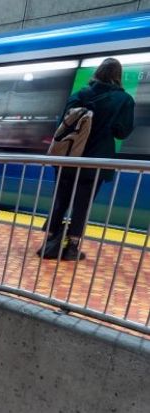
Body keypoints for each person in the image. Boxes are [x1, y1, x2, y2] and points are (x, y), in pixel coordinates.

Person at [38, 57, 135, 261]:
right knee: (83, 204)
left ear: (98, 73)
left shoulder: (80, 94)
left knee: (61, 200)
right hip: (96, 163)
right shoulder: (124, 100)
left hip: (69, 158)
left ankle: (50, 241)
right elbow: (122, 132)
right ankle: (72, 247)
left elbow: (63, 122)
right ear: (118, 76)